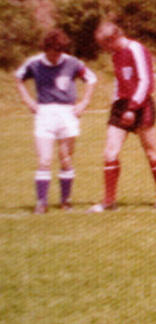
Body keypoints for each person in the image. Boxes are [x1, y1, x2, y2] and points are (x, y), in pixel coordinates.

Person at [15, 29, 97, 213]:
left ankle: (65, 201)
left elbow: (91, 79)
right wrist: (28, 100)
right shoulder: (35, 63)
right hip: (45, 113)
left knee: (66, 159)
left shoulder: (72, 62)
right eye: (53, 52)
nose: (56, 56)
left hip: (67, 113)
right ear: (46, 49)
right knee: (44, 159)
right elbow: (18, 78)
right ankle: (41, 203)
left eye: (59, 52)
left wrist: (84, 102)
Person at [90, 21, 156, 212]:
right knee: (110, 151)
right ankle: (109, 201)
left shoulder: (136, 49)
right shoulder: (116, 55)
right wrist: (117, 103)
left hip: (141, 105)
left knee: (151, 152)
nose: (105, 49)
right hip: (121, 106)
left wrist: (132, 108)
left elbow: (145, 81)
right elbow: (120, 81)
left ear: (113, 38)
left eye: (105, 45)